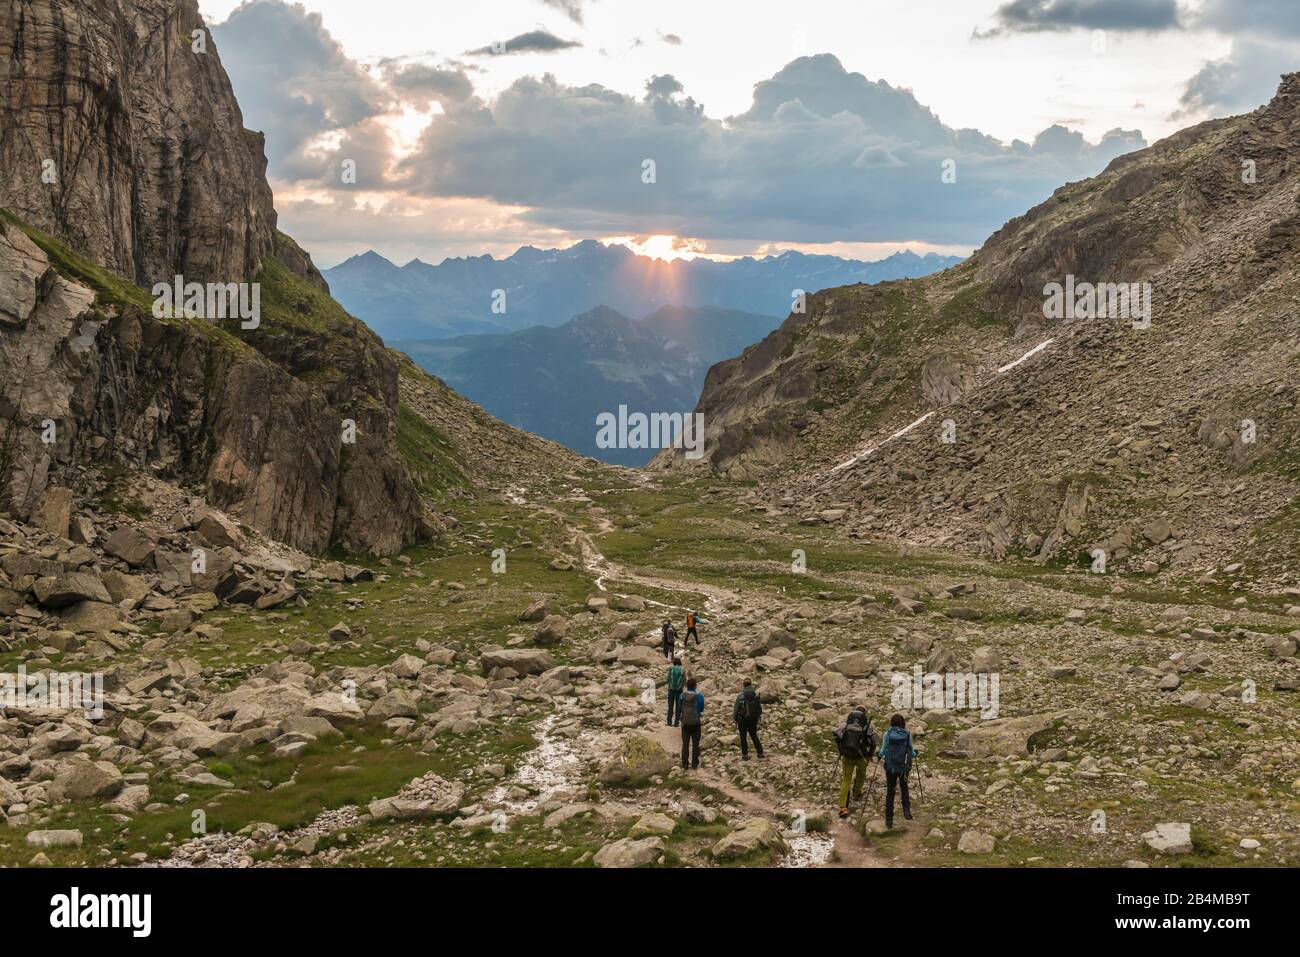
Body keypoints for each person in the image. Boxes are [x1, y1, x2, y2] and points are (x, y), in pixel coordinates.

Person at [832, 706, 876, 819]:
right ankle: (856, 794)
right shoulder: (866, 726)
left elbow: (836, 736)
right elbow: (873, 743)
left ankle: (843, 807)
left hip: (847, 756)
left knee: (846, 779)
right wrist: (869, 756)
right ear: (864, 715)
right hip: (861, 756)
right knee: (861, 775)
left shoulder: (845, 725)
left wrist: (841, 750)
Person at [879, 713, 917, 828]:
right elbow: (911, 750)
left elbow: (883, 750)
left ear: (891, 723)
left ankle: (889, 819)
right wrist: (916, 754)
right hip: (903, 767)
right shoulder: (907, 735)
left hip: (890, 767)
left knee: (890, 792)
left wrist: (879, 755)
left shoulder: (887, 734)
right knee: (904, 788)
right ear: (902, 723)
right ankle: (907, 812)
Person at [732, 678, 765, 760]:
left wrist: (734, 718)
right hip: (753, 718)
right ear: (751, 685)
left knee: (743, 737)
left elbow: (736, 709)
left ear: (743, 685)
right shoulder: (755, 695)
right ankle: (760, 752)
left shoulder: (741, 696)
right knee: (753, 735)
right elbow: (759, 709)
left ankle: (745, 755)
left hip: (742, 719)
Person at [679, 677, 704, 769]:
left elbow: (679, 708)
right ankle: (694, 764)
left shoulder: (682, 695)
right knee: (695, 744)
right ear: (695, 686)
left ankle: (685, 764)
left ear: (686, 685)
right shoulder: (700, 695)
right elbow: (701, 709)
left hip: (685, 723)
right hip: (696, 723)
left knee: (685, 744)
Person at [666, 656, 685, 727]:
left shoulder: (671, 669)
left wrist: (670, 685)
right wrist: (681, 687)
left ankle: (669, 722)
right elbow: (684, 681)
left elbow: (667, 679)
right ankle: (676, 723)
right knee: (678, 707)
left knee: (670, 706)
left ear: (674, 662)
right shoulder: (682, 670)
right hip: (679, 691)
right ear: (680, 662)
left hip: (671, 690)